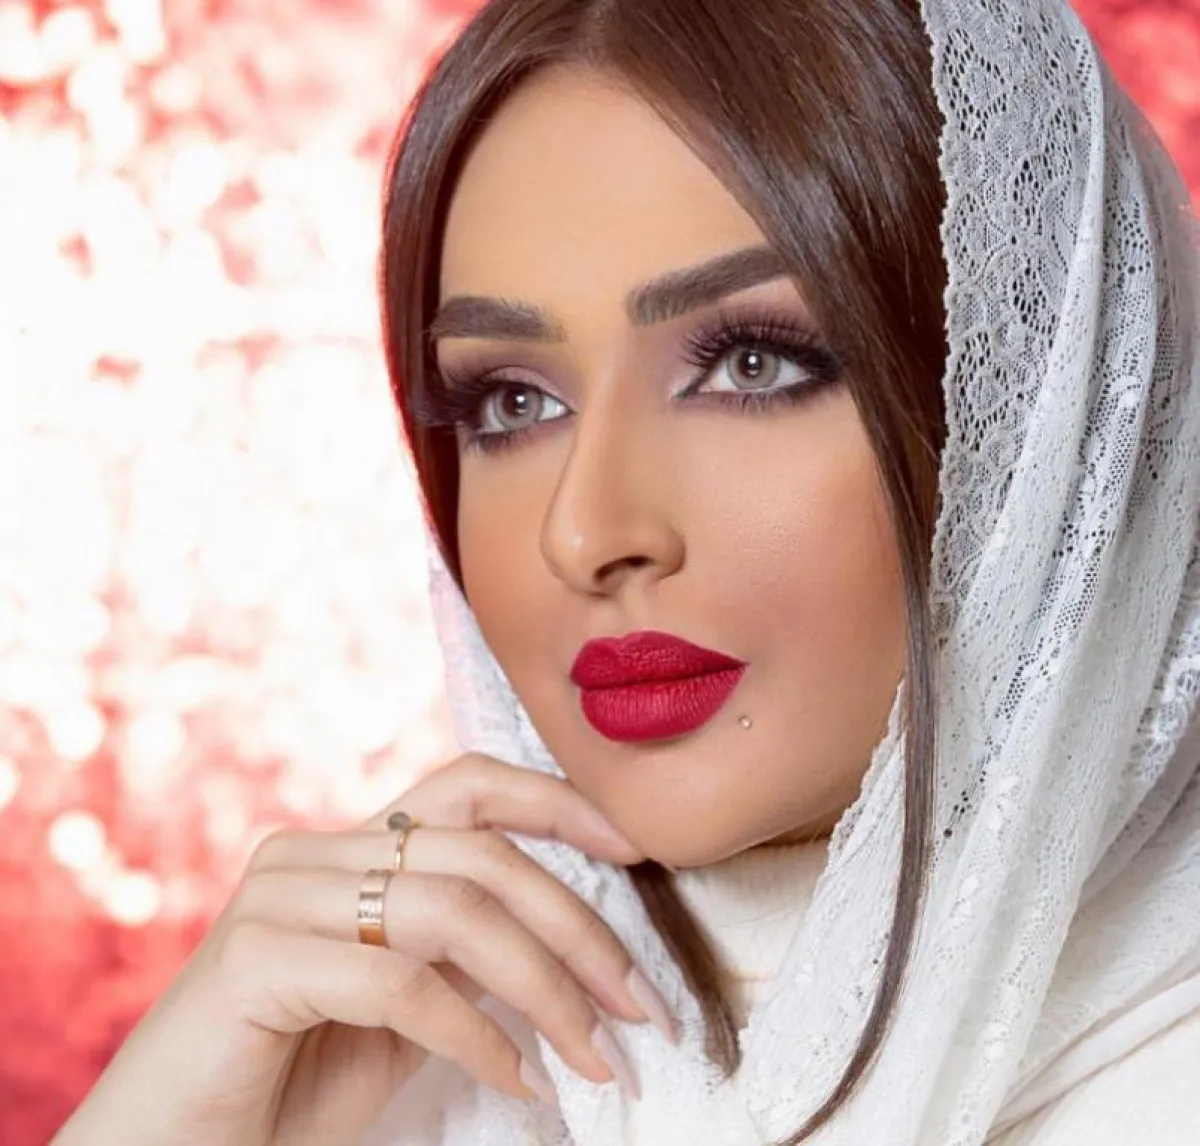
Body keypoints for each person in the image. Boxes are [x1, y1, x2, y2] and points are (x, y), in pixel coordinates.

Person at [53, 0, 1200, 1143]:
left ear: (1049, 400)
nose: (585, 532)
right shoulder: (390, 1066)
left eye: (751, 366)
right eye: (514, 402)